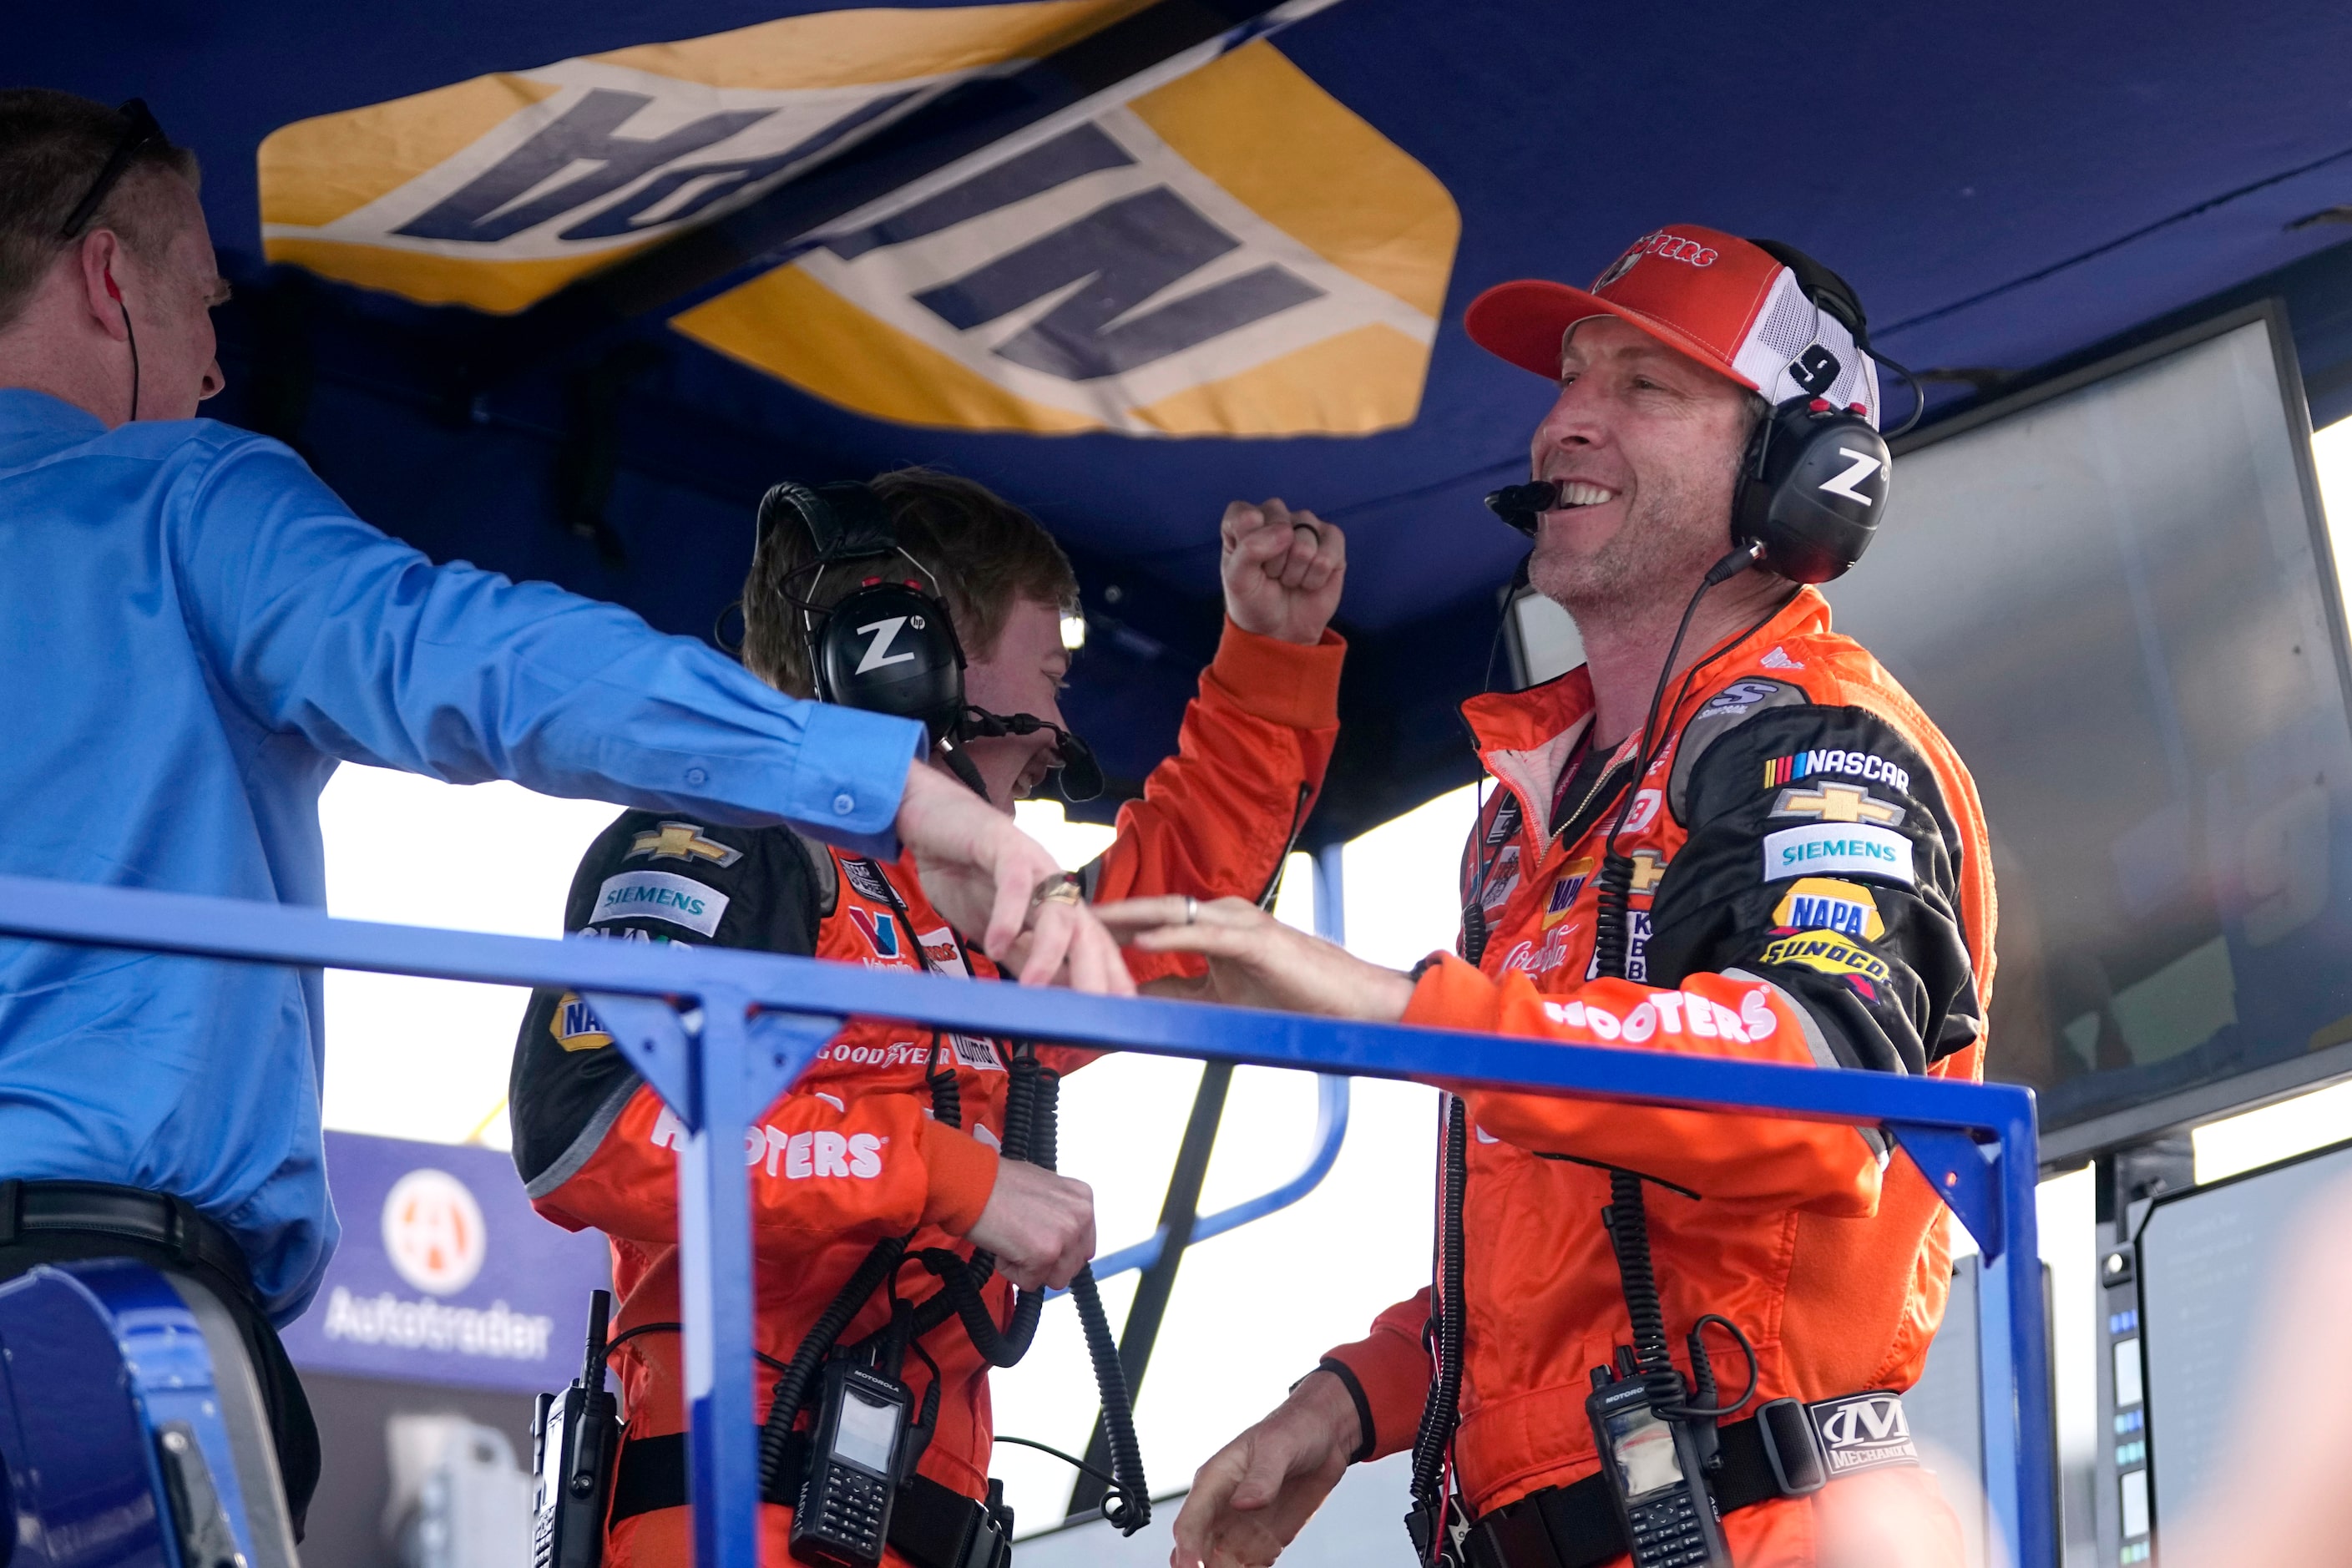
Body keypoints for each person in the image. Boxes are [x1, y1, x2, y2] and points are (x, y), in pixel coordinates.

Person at [0, 89, 1129, 1533]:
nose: (218, 362)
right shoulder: (176, 499)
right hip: (101, 1319)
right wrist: (891, 790)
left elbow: (1152, 940)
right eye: (204, 299)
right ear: (110, 279)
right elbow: (485, 664)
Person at [1104, 225, 1998, 1568]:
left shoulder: (1824, 743)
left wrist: (1399, 1007)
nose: (1564, 422)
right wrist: (1350, 1401)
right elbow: (1568, 1255)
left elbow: (1813, 1084)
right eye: (1570, 380)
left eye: (1645, 387)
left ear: (1801, 475)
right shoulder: (1543, 808)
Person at [508, 468, 1348, 1566]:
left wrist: (1268, 660)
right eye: (1050, 673)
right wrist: (956, 1176)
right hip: (731, 1510)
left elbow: (1177, 909)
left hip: (909, 1528)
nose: (1058, 726)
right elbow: (591, 1132)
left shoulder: (965, 923)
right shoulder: (734, 845)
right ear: (910, 659)